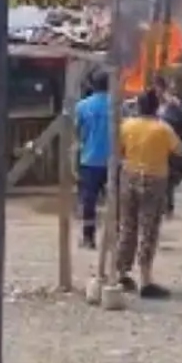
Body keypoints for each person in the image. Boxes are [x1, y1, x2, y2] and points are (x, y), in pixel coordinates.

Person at [115, 89, 182, 298]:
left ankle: (122, 274)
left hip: (129, 176)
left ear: (138, 107)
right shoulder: (163, 129)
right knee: (149, 229)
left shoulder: (126, 126)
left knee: (128, 225)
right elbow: (178, 150)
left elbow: (119, 150)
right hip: (155, 180)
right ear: (156, 107)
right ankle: (145, 279)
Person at [74, 69, 112, 249]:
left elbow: (76, 132)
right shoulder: (118, 106)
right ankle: (113, 239)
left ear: (92, 85)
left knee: (89, 200)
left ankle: (89, 238)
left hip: (89, 159)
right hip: (112, 160)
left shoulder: (82, 106)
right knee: (115, 200)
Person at [159, 84, 182, 217]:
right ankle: (168, 208)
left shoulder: (164, 118)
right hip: (176, 156)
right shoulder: (181, 117)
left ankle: (164, 207)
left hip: (166, 154)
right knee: (170, 184)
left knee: (164, 182)